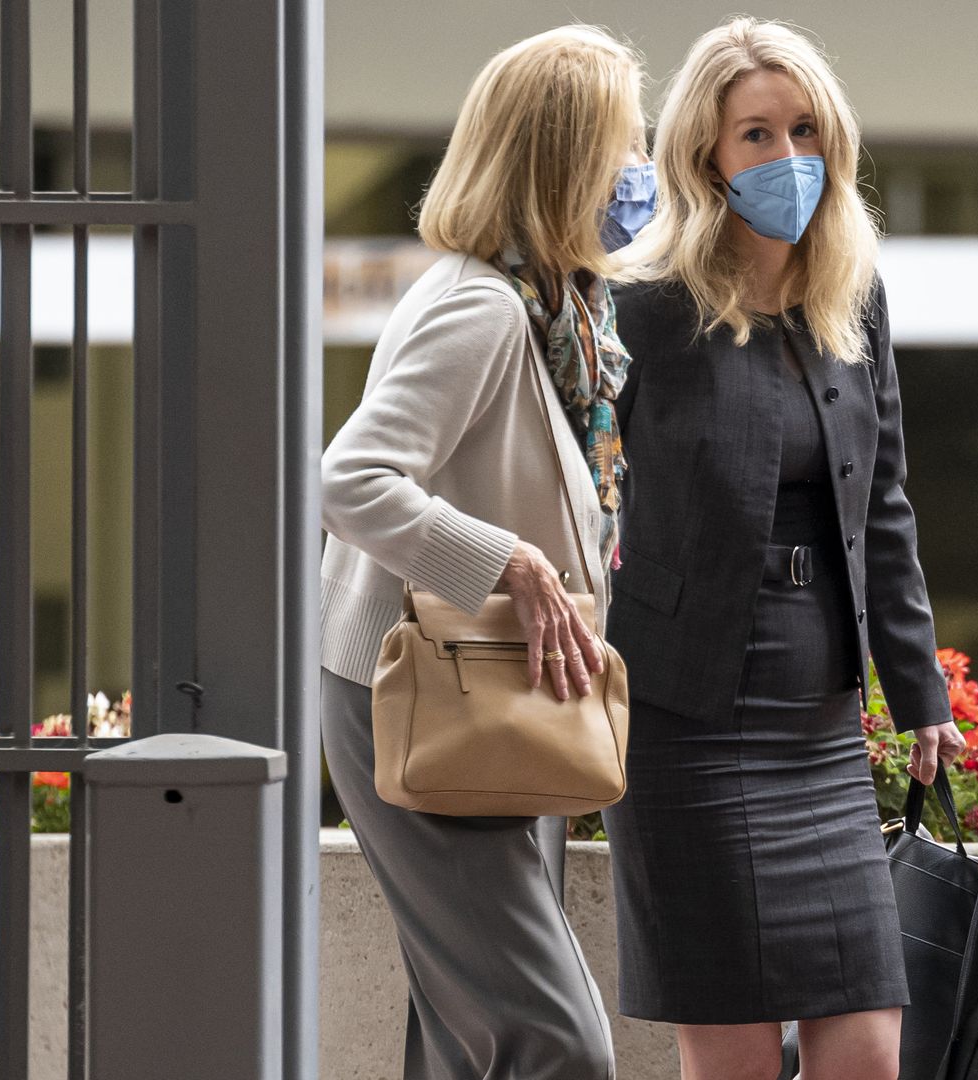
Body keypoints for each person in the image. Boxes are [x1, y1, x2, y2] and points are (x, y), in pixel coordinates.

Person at [601, 17, 966, 1080]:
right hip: (682, 714)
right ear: (705, 154)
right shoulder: (642, 305)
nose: (786, 158)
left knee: (867, 1048)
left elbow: (882, 502)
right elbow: (583, 493)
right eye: (755, 134)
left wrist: (919, 689)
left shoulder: (851, 296)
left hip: (816, 715)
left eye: (804, 129)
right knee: (738, 1059)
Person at [318, 26, 652, 1080]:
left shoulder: (554, 308)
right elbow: (351, 481)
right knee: (555, 1044)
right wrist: (510, 563)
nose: (639, 176)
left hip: (497, 689)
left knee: (470, 1039)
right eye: (623, 147)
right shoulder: (480, 306)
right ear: (560, 160)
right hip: (427, 689)